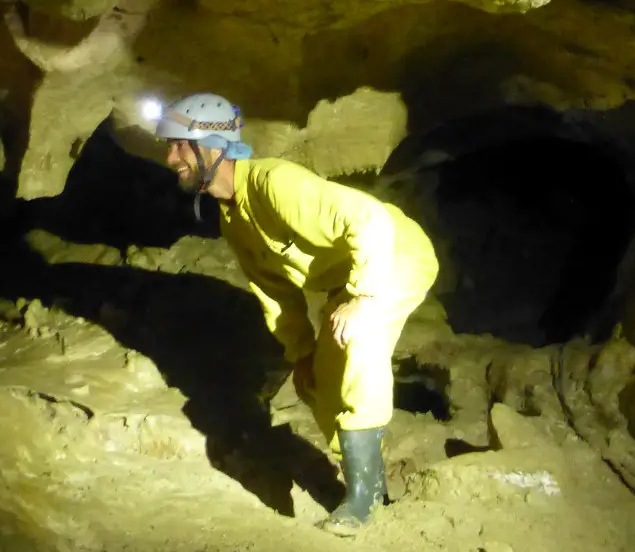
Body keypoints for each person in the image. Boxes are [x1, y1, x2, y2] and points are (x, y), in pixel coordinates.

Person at [149, 92, 440, 536]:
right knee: (317, 381)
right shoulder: (233, 217)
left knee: (358, 340)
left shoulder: (273, 183)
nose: (170, 157)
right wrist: (302, 352)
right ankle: (370, 482)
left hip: (395, 255)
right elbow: (274, 292)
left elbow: (370, 222)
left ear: (210, 145)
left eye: (178, 145)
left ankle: (362, 501)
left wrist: (362, 298)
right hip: (352, 273)